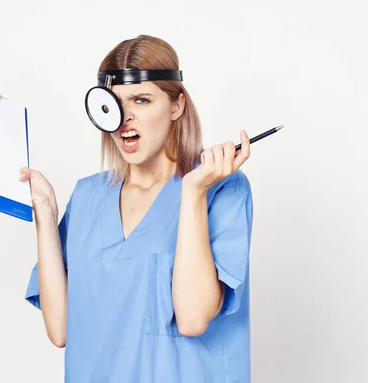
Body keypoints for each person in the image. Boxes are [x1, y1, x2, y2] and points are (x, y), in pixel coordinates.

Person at [20, 34, 254, 383]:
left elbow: (192, 319)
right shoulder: (88, 195)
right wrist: (46, 217)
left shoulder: (221, 189)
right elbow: (61, 330)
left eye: (141, 100)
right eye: (113, 104)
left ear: (176, 106)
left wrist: (192, 192)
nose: (124, 118)